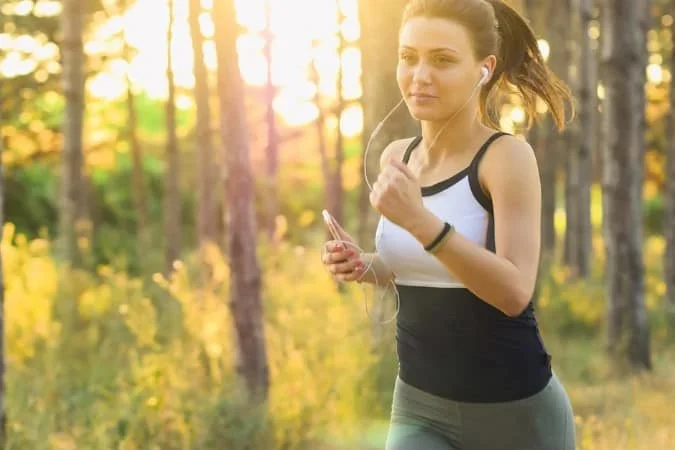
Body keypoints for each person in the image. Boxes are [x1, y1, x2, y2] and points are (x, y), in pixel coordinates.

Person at [321, 0, 576, 449]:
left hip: (515, 413)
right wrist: (364, 265)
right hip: (419, 407)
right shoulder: (396, 156)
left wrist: (420, 221)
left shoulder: (505, 158)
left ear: (484, 68)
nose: (420, 75)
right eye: (408, 57)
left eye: (442, 60)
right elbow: (418, 267)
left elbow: (515, 292)